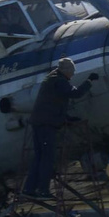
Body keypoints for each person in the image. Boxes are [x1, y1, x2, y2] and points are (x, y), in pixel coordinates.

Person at [24, 58, 90, 198]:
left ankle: (29, 189)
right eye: (72, 71)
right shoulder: (60, 81)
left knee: (39, 157)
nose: (72, 75)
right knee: (47, 158)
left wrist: (66, 118)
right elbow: (75, 93)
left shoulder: (51, 79)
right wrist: (89, 81)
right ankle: (43, 190)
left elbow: (53, 103)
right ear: (66, 70)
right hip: (47, 126)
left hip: (39, 123)